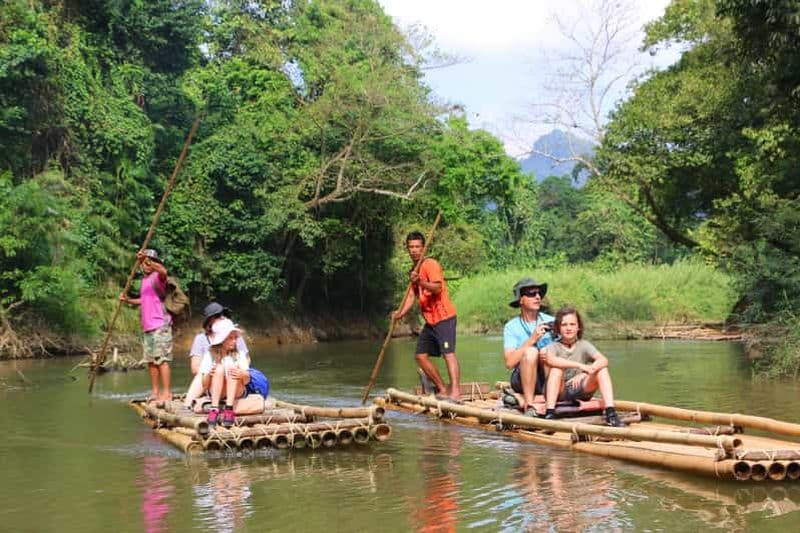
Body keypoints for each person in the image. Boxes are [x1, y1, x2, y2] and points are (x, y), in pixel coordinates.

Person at [392, 230, 461, 402]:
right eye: (411, 247)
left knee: (448, 353)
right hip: (430, 321)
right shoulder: (414, 270)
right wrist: (400, 313)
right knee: (420, 356)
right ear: (408, 250)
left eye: (417, 247)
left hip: (444, 317)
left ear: (423, 248)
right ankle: (443, 389)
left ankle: (456, 393)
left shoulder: (430, 264)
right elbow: (411, 296)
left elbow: (437, 288)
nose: (414, 250)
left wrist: (420, 281)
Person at [541, 306, 626, 427]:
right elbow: (552, 360)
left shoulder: (584, 345)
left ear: (578, 327)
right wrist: (580, 366)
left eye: (572, 324)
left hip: (578, 389)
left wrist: (585, 373)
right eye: (564, 325)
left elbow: (603, 360)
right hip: (558, 391)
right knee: (556, 370)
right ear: (558, 328)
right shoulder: (553, 346)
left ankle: (611, 413)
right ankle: (550, 413)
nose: (568, 328)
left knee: (602, 370)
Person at [120, 249, 172, 405]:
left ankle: (167, 393)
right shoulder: (144, 280)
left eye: (149, 261)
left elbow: (164, 271)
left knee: (161, 359)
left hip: (160, 324)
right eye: (144, 262)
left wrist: (147, 259)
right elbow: (144, 300)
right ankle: (155, 392)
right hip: (148, 326)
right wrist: (128, 300)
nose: (146, 265)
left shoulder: (159, 277)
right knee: (151, 361)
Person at [502, 277, 553, 415]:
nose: (537, 297)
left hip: (548, 375)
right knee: (531, 352)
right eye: (531, 294)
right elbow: (509, 362)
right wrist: (532, 339)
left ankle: (549, 401)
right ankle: (529, 405)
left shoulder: (551, 321)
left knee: (548, 352)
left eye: (539, 294)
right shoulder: (511, 327)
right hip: (522, 376)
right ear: (521, 300)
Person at [183, 302, 249, 408]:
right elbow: (195, 368)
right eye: (217, 316)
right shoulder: (201, 339)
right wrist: (211, 371)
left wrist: (237, 370)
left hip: (234, 378)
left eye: (222, 315)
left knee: (232, 369)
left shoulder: (235, 337)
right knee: (207, 372)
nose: (221, 318)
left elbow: (247, 361)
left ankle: (228, 405)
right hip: (209, 379)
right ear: (209, 322)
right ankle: (188, 405)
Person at [200, 318, 251, 428]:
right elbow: (204, 385)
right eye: (230, 338)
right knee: (219, 369)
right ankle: (214, 408)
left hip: (237, 390)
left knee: (232, 368)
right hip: (216, 391)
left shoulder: (239, 354)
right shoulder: (209, 355)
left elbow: (247, 381)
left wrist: (241, 374)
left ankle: (229, 409)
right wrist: (209, 374)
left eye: (235, 338)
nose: (235, 341)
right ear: (222, 340)